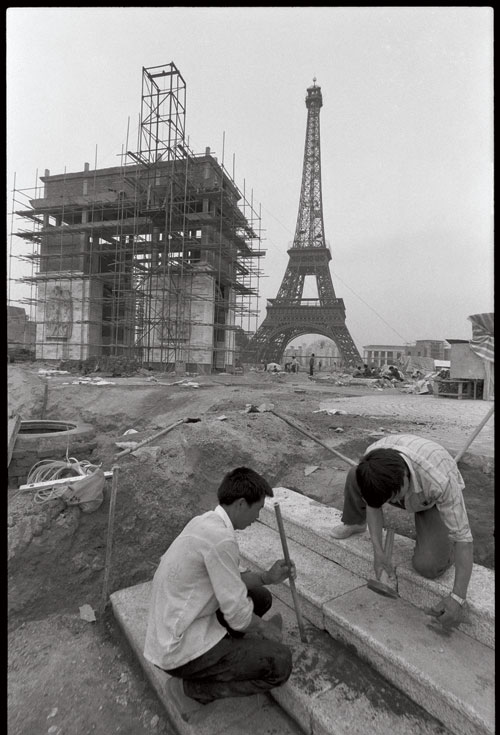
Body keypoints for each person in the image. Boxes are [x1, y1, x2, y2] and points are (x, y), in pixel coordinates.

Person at [144, 466, 295, 705]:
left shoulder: (206, 522)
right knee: (280, 663)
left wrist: (268, 577)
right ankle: (190, 688)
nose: (257, 518)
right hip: (178, 648)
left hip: (176, 623)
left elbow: (232, 581)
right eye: (257, 510)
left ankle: (231, 652)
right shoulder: (221, 539)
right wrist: (264, 628)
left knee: (261, 597)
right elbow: (238, 615)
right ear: (241, 504)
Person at [330, 435, 473, 631]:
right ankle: (355, 522)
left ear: (405, 477)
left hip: (428, 498)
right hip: (403, 479)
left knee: (428, 566)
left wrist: (458, 598)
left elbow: (464, 540)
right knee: (355, 473)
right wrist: (378, 551)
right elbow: (374, 505)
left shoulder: (440, 481)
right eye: (390, 499)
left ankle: (444, 549)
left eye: (396, 495)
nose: (395, 502)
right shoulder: (372, 460)